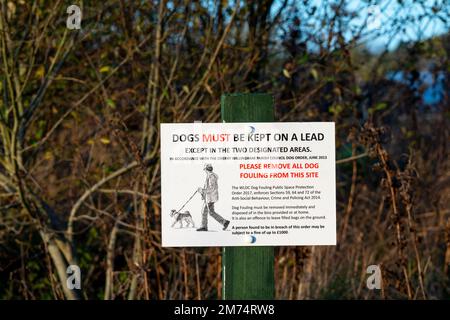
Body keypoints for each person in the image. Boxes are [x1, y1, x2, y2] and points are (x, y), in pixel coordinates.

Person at [197, 164, 230, 231]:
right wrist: (203, 193)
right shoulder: (210, 176)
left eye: (205, 170)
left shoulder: (211, 176)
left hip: (211, 198)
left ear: (206, 169)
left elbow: (212, 188)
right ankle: (205, 226)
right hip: (209, 197)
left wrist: (202, 191)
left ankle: (224, 222)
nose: (205, 171)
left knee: (210, 212)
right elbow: (209, 188)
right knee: (205, 211)